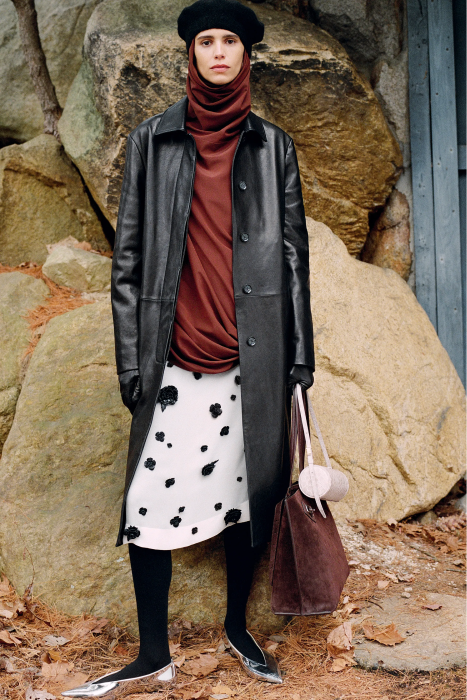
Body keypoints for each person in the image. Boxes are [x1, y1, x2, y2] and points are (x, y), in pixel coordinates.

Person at [63, 0, 314, 697]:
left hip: (254, 356)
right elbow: (129, 259)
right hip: (173, 354)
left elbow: (293, 259)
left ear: (246, 55)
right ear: (190, 55)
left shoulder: (274, 147)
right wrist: (130, 360)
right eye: (206, 41)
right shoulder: (152, 140)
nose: (219, 51)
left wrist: (300, 360)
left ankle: (237, 628)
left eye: (230, 40)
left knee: (246, 497)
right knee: (146, 502)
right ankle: (152, 653)